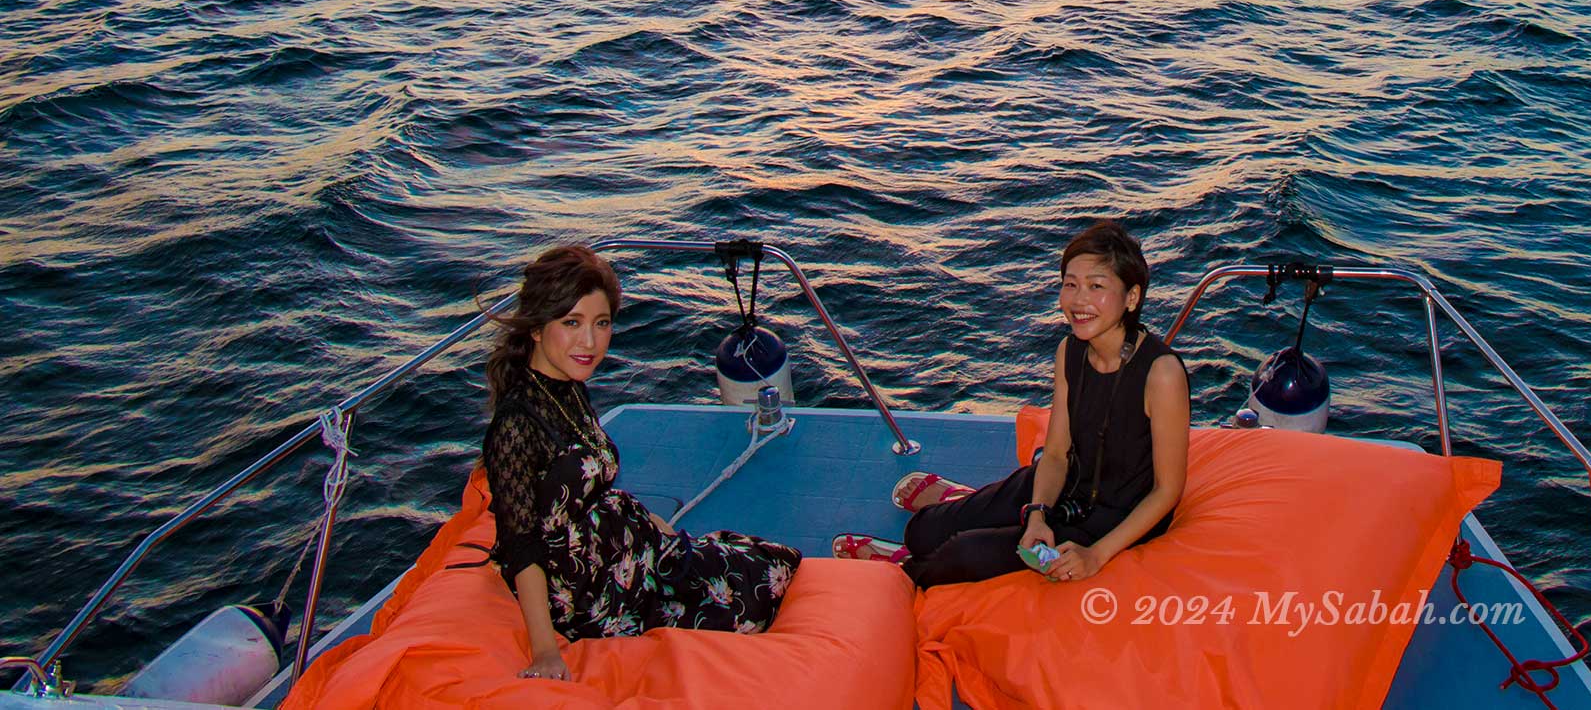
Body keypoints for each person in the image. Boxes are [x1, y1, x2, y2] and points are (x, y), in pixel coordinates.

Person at [479, 245, 800, 679]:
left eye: (601, 323)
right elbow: (522, 547)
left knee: (771, 561)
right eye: (571, 323)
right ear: (536, 328)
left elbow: (589, 485)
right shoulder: (516, 425)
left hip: (623, 548)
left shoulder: (567, 385)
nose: (589, 342)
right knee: (755, 599)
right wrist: (545, 651)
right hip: (588, 592)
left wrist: (651, 526)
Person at [834, 221, 1190, 587]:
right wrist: (1037, 515)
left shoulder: (1161, 374)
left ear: (1131, 297)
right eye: (1070, 284)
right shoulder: (1070, 350)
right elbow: (1054, 455)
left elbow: (1167, 490)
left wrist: (1096, 554)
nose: (1079, 300)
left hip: (1112, 517)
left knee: (961, 554)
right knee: (923, 531)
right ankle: (964, 509)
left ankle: (903, 570)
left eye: (1096, 286)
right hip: (1062, 487)